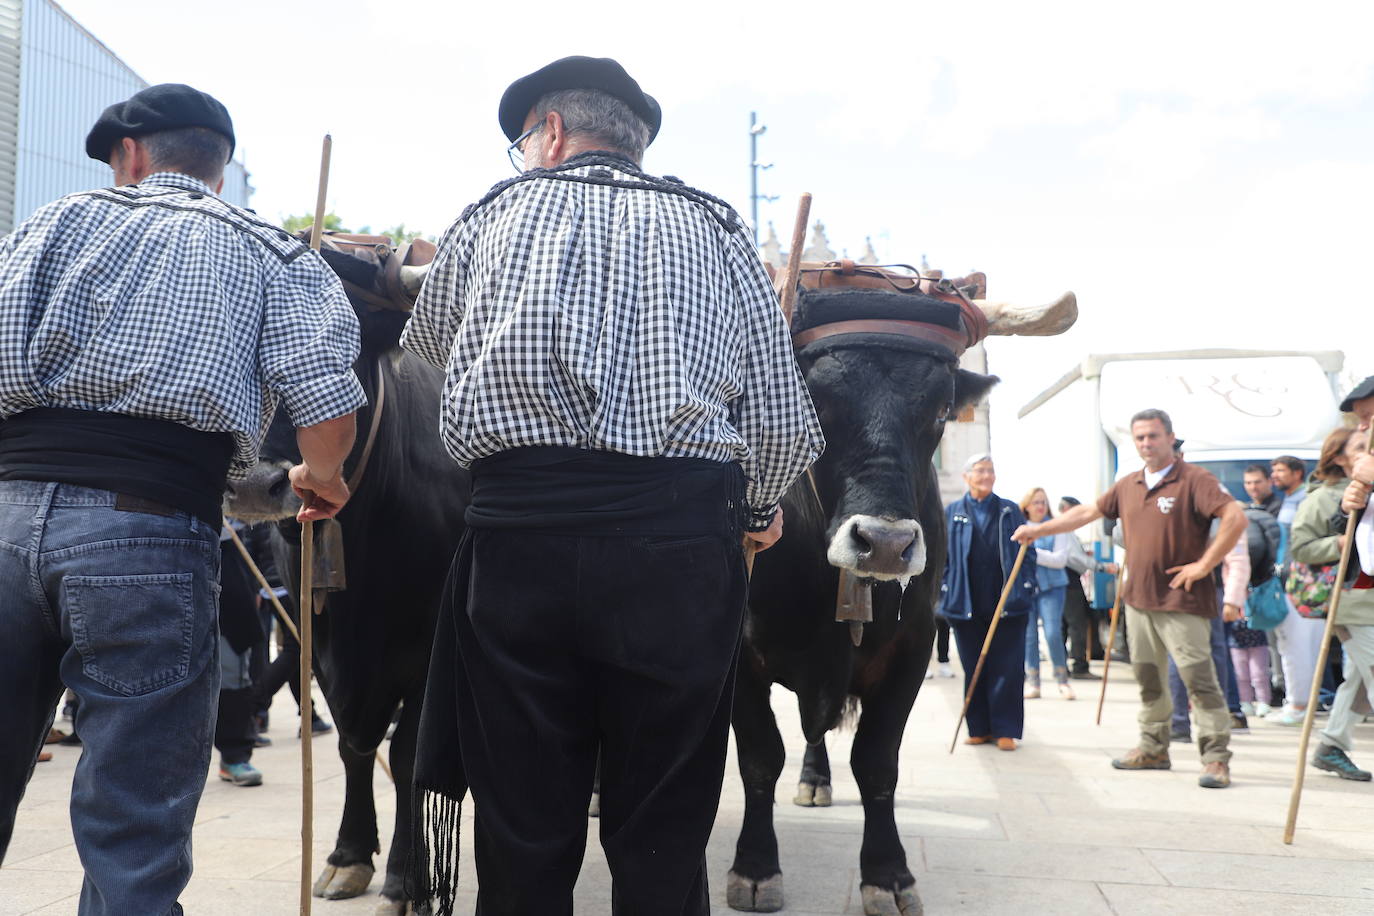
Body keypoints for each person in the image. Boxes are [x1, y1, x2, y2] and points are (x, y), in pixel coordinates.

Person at [400, 57, 824, 915]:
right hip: (679, 556)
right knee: (664, 823)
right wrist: (755, 511)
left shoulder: (491, 215)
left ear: (550, 132)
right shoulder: (718, 229)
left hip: (520, 547)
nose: (523, 155)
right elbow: (781, 421)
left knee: (522, 821)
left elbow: (429, 353)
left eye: (524, 141)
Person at [0, 83, 364, 914]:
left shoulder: (50, 226)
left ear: (132, 156)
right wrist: (323, 478)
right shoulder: (270, 253)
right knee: (134, 829)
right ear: (219, 172)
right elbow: (327, 415)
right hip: (148, 535)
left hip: (7, 516)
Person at [1013, 408, 1246, 788]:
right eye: (1140, 437)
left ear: (1171, 437)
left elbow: (1235, 517)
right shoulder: (1129, 483)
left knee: (1199, 681)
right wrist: (1039, 531)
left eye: (1153, 436)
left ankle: (1215, 758)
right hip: (1138, 599)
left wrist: (1204, 565)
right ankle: (1154, 747)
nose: (1146, 443)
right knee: (1148, 677)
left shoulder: (1195, 480)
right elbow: (1087, 512)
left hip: (1183, 601)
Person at [938, 454, 1038, 751]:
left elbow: (1027, 554)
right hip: (966, 602)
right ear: (966, 477)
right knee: (974, 665)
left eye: (990, 471)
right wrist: (945, 590)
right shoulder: (953, 512)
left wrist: (1026, 586)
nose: (986, 476)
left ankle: (1005, 729)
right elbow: (942, 556)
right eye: (980, 471)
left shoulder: (1009, 511)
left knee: (1007, 668)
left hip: (1006, 601)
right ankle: (979, 727)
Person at [1293, 422, 1374, 780]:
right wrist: (1338, 543)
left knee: (1358, 680)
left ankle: (1332, 745)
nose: (1369, 453)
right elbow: (1301, 546)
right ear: (1340, 458)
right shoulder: (1323, 498)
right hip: (1352, 601)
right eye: (1360, 448)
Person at [1020, 488, 1075, 699]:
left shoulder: (1056, 527)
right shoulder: (1021, 526)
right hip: (1027, 587)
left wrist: (1032, 552)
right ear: (1027, 506)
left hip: (1053, 587)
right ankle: (1033, 681)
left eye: (1043, 502)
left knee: (1053, 632)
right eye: (1036, 502)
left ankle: (1062, 679)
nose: (1040, 506)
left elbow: (1059, 560)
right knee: (1029, 635)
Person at [1272, 455, 1308, 530]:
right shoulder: (1290, 496)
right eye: (1273, 471)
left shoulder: (1307, 497)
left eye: (1280, 470)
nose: (1274, 475)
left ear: (1297, 474)